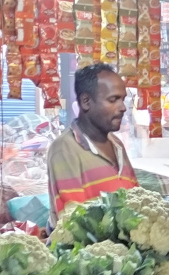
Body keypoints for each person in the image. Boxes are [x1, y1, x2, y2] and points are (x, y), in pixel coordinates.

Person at [46, 63, 138, 229]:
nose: (123, 107)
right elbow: (76, 223)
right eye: (113, 99)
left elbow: (135, 197)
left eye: (123, 99)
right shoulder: (64, 150)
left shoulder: (116, 145)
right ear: (86, 101)